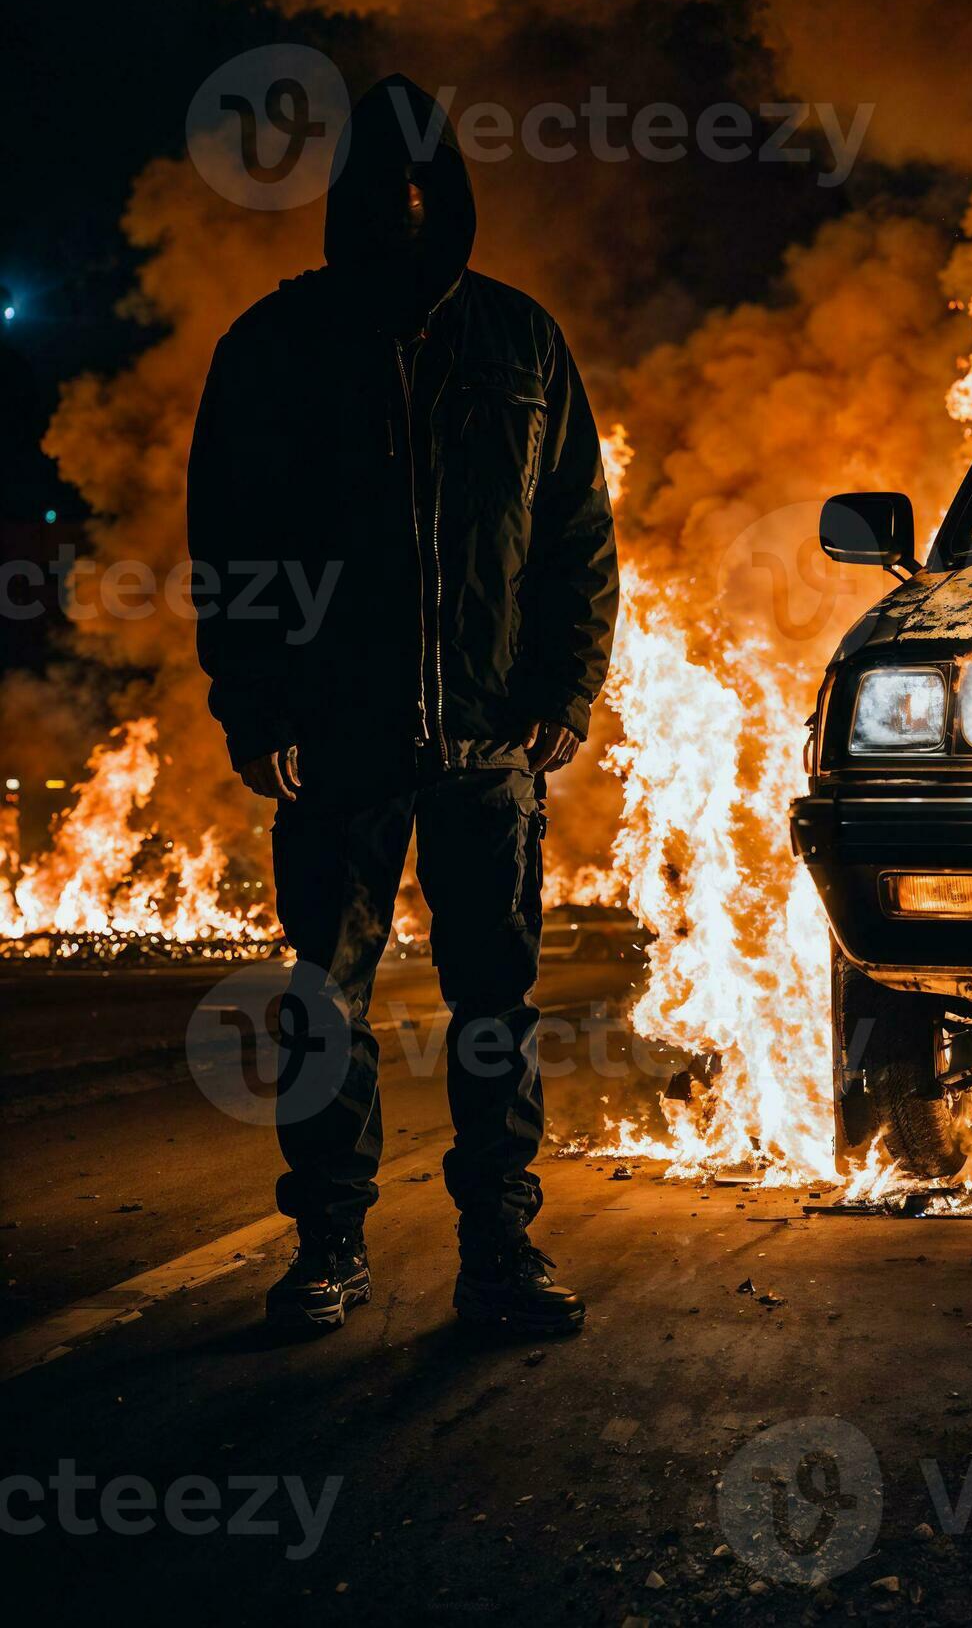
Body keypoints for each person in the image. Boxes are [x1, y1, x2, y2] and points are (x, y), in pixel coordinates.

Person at [189, 74, 618, 1338]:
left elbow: (577, 538)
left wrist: (565, 692)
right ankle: (328, 1245)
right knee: (326, 999)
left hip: (490, 744)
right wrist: (254, 703)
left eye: (424, 182)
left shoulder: (521, 342)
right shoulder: (276, 346)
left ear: (456, 192)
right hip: (334, 741)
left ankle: (501, 1247)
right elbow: (232, 544)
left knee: (494, 1008)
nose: (406, 205)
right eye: (382, 186)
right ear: (346, 198)